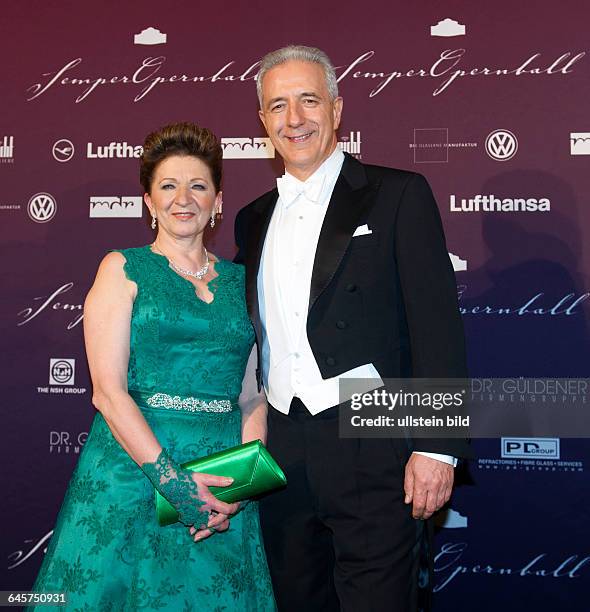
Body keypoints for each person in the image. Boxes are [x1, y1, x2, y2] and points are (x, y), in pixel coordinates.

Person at [234, 46, 470, 612]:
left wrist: (438, 449)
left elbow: (437, 327)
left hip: (372, 435)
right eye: (278, 106)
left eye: (309, 101)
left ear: (337, 110)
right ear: (263, 122)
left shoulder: (398, 195)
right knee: (296, 599)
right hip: (284, 448)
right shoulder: (253, 217)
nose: (295, 119)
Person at [31, 122, 275, 611]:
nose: (183, 198)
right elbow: (107, 392)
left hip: (221, 488)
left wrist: (244, 487)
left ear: (218, 201)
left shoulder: (242, 281)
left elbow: (252, 394)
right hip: (135, 476)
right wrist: (177, 486)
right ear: (149, 201)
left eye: (198, 185)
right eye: (168, 185)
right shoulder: (122, 268)